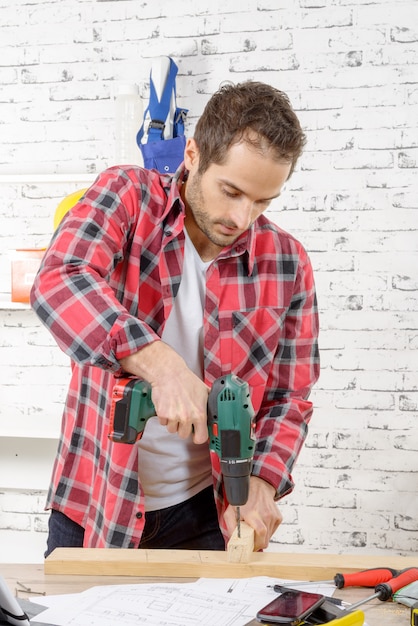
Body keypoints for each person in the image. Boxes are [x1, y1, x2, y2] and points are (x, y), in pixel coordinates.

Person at [30, 80, 319, 557]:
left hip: (207, 516)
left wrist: (264, 481)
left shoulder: (287, 262)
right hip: (97, 499)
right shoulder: (126, 196)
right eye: (231, 191)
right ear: (192, 154)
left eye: (263, 201)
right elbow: (59, 280)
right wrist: (161, 365)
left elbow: (291, 395)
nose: (242, 216)